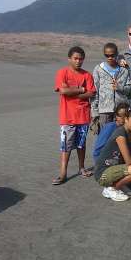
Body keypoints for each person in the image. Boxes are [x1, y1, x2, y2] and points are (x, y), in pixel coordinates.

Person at [52, 46, 96, 185]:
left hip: (83, 115)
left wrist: (74, 92)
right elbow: (63, 91)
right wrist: (81, 89)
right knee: (66, 145)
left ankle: (81, 168)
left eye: (81, 59)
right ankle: (63, 172)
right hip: (67, 116)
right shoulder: (62, 73)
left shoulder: (87, 75)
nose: (78, 61)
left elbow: (92, 93)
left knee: (81, 144)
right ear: (69, 59)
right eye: (75, 58)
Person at [94, 108, 131, 202]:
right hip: (103, 173)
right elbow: (129, 161)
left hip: (116, 168)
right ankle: (112, 189)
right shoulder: (120, 134)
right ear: (126, 119)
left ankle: (121, 185)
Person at [91, 43, 131, 129]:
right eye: (107, 55)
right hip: (104, 110)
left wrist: (119, 87)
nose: (110, 58)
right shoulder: (98, 69)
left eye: (112, 55)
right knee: (105, 137)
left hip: (121, 111)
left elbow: (129, 89)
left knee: (120, 136)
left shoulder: (124, 70)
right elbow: (95, 91)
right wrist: (94, 111)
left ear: (117, 54)